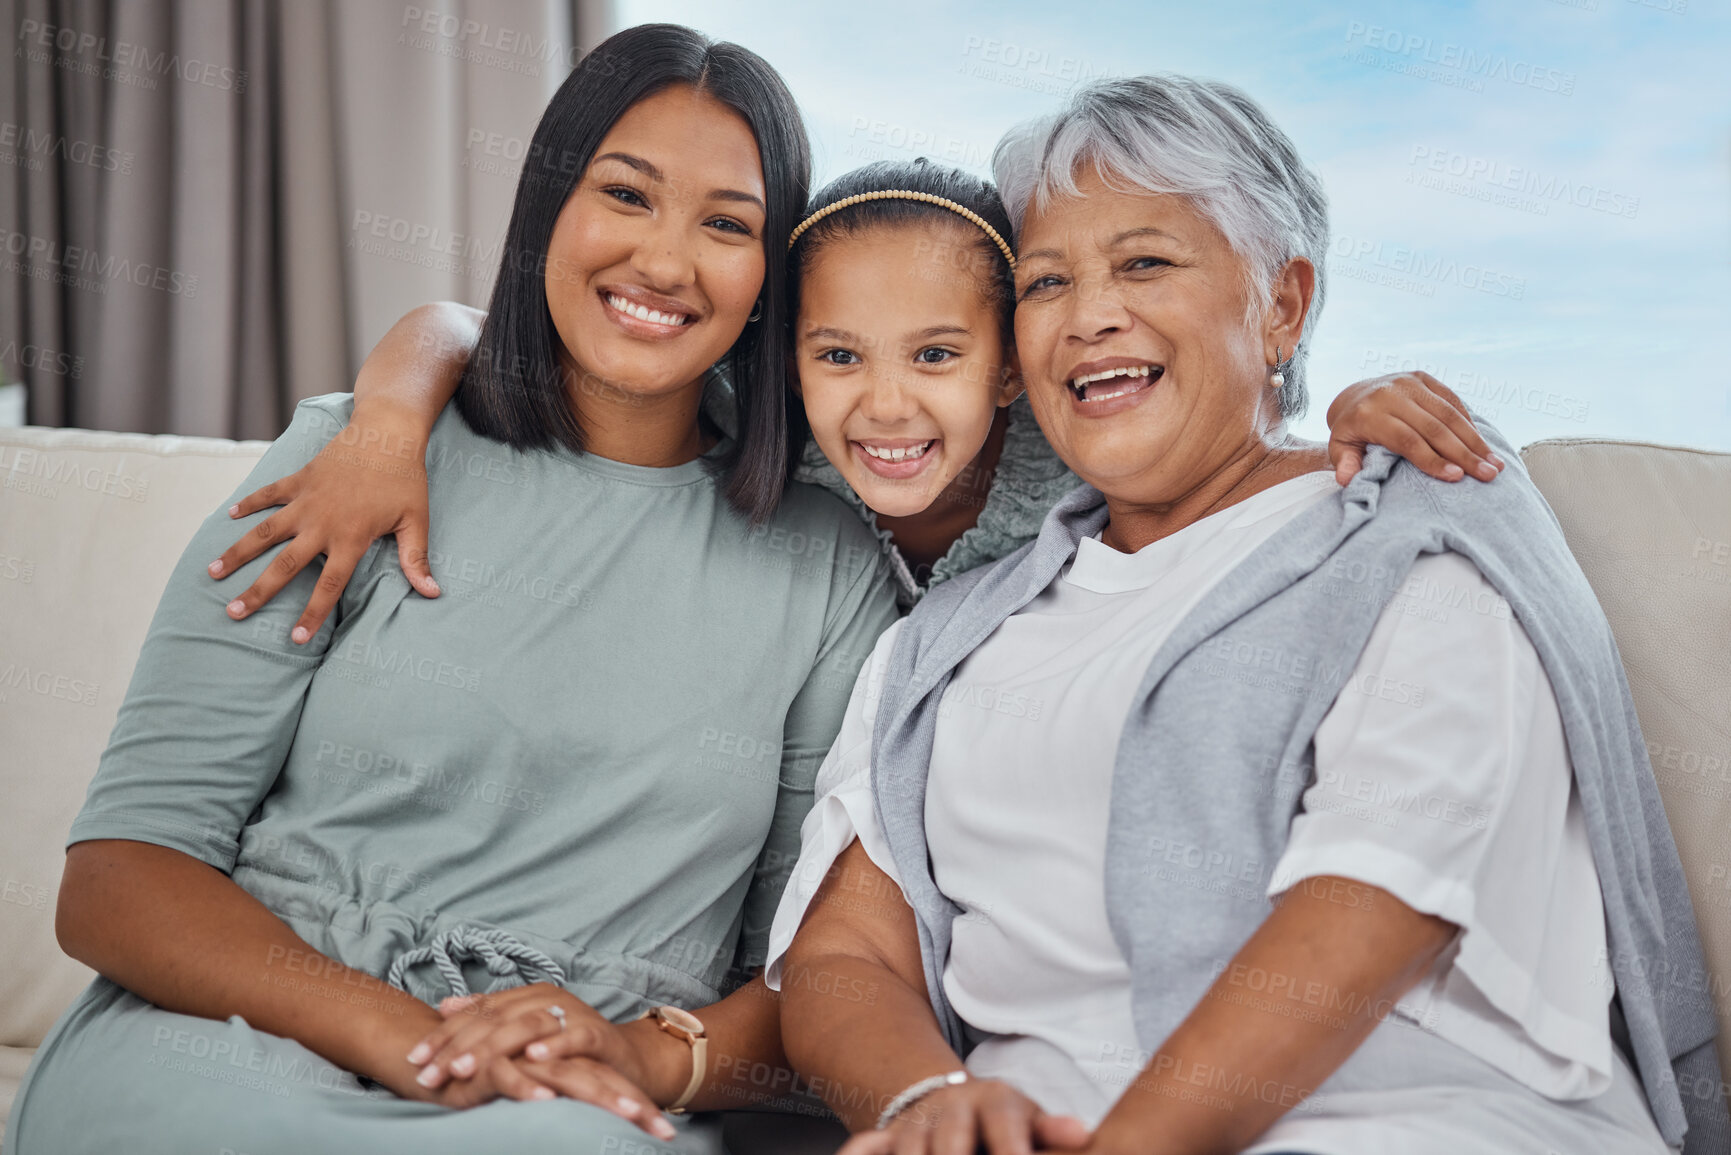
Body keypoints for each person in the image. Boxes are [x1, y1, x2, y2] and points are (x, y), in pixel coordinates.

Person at [767, 74, 1725, 1155]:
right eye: (1046, 283)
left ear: (1282, 305)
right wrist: (925, 1106)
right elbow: (845, 953)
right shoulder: (936, 643)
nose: (1090, 316)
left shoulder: (1410, 518)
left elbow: (1380, 890)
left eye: (1145, 263)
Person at [5, 24, 899, 1155]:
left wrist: (645, 1054)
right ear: (546, 210)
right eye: (626, 195)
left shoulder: (825, 566)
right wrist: (405, 1038)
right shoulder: (359, 461)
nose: (668, 262)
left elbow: (814, 977)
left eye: (727, 224)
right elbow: (120, 878)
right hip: (235, 1037)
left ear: (774, 273)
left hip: (563, 1094)